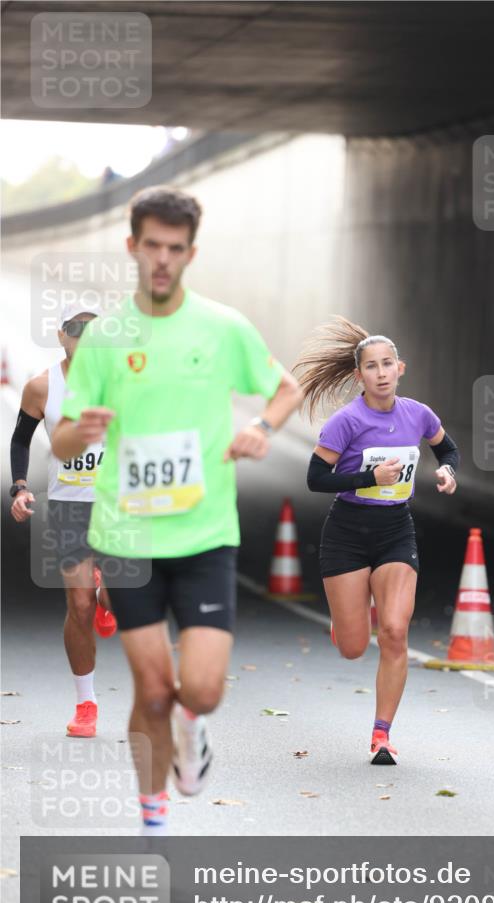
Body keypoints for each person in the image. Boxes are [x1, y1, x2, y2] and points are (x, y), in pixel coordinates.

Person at [51, 186, 302, 835]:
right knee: (153, 690)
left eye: (175, 248)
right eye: (151, 246)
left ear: (190, 253)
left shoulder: (221, 327)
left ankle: (196, 732)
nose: (162, 259)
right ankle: (153, 820)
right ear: (133, 246)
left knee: (202, 690)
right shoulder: (105, 337)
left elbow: (286, 387)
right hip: (127, 536)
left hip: (205, 536)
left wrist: (263, 431)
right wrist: (84, 430)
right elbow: (61, 438)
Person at [295, 317, 459, 765]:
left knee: (393, 631)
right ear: (359, 376)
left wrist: (447, 471)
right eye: (372, 366)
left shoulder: (418, 414)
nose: (382, 372)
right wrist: (369, 476)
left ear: (400, 368)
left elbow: (446, 448)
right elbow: (315, 478)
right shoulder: (346, 422)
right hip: (347, 533)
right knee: (352, 647)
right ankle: (346, 617)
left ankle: (381, 734)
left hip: (394, 530)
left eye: (388, 364)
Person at [9, 303, 117, 740]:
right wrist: (19, 487)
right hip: (68, 506)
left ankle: (106, 598)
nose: (84, 337)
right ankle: (86, 703)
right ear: (61, 335)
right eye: (76, 329)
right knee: (78, 606)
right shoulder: (41, 387)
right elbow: (20, 439)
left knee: (116, 600)